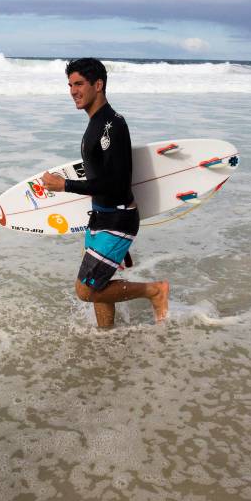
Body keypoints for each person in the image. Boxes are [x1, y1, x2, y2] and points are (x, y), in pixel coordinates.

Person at [41, 58, 169, 328]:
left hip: (118, 219)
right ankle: (107, 336)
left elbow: (114, 183)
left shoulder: (113, 125)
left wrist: (64, 185)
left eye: (79, 84)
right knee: (100, 284)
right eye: (70, 85)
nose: (73, 91)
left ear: (98, 85)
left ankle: (154, 291)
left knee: (85, 290)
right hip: (100, 218)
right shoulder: (95, 123)